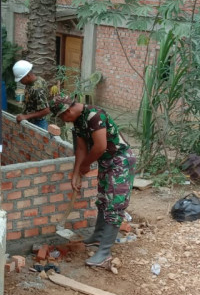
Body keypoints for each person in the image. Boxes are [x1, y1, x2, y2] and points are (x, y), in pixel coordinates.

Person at [50, 96, 136, 269]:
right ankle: (98, 236)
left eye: (61, 118)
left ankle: (104, 253)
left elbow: (100, 146)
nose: (63, 121)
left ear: (67, 111)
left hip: (120, 161)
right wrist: (76, 173)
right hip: (106, 162)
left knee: (114, 206)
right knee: (103, 200)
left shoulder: (95, 116)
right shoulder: (78, 121)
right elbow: (81, 149)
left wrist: (86, 165)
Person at [12, 59, 51, 130]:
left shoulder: (37, 89)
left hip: (38, 123)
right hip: (32, 120)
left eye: (21, 79)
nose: (20, 81)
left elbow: (46, 110)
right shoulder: (34, 81)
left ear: (28, 75)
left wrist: (26, 116)